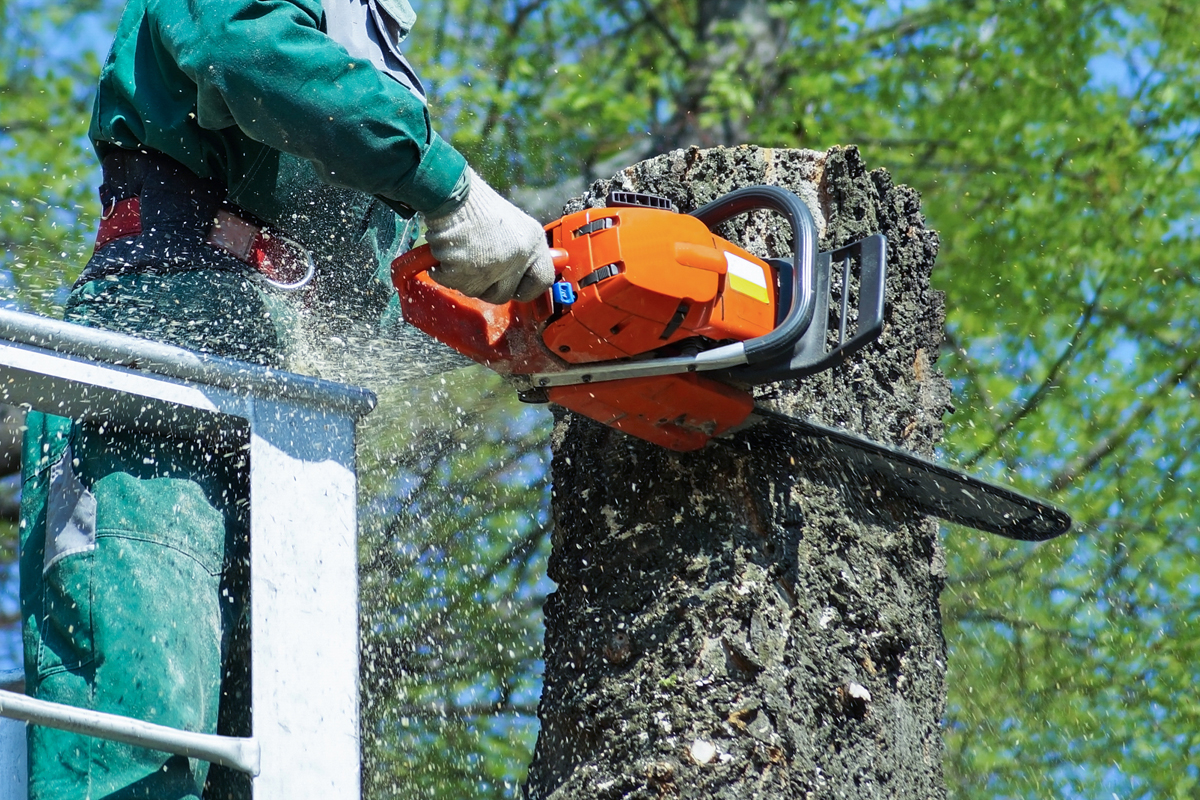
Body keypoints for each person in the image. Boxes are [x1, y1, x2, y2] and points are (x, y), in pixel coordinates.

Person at [18, 1, 554, 798]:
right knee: (140, 725)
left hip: (287, 424)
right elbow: (245, 48)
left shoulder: (371, 42)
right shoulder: (303, 46)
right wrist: (449, 187)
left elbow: (364, 301)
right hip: (156, 373)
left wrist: (502, 325)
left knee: (282, 759)